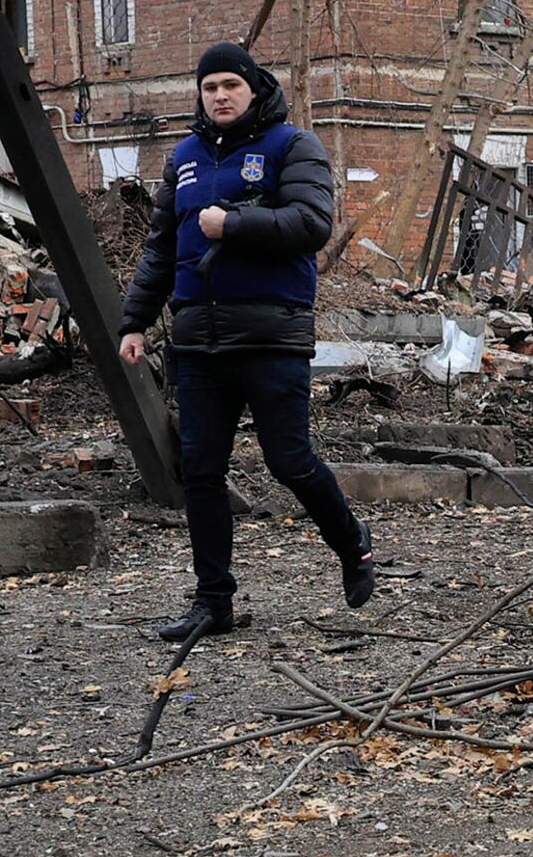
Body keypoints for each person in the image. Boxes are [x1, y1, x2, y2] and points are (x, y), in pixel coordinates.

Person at [118, 40, 371, 644]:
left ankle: (351, 543)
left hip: (270, 335)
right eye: (210, 88)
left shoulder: (293, 146)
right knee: (200, 471)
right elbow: (160, 248)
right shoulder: (183, 157)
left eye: (231, 85)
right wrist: (134, 321)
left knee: (289, 461)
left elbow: (311, 225)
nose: (220, 96)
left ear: (254, 88)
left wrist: (234, 223)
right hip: (198, 341)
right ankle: (213, 603)